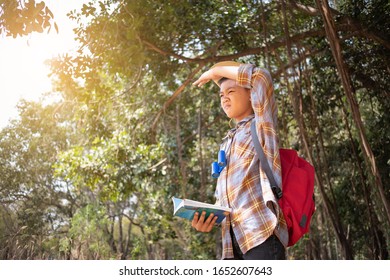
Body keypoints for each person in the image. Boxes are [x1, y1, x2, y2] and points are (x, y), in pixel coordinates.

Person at [191, 61, 288, 260]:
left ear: (251, 95)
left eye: (231, 92)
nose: (224, 98)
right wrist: (207, 218)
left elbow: (261, 78)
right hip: (231, 244)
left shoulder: (261, 125)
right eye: (221, 95)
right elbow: (227, 200)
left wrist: (215, 72)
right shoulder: (226, 143)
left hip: (260, 235)